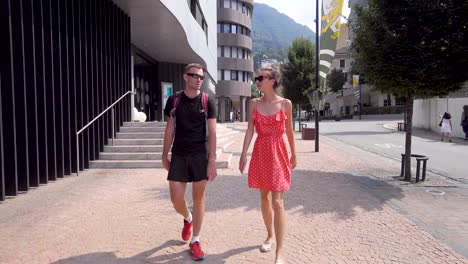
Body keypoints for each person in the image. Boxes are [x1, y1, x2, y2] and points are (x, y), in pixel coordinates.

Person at [239, 65, 297, 264]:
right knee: (264, 196)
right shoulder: (254, 103)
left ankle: (280, 252)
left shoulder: (286, 104)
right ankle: (270, 235)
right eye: (256, 78)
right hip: (260, 151)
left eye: (261, 77)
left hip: (278, 151)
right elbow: (249, 130)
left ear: (272, 80)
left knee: (278, 201)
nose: (257, 81)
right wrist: (243, 154)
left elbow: (289, 131)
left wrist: (294, 154)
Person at [162, 63, 217, 261]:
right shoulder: (174, 100)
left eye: (201, 76)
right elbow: (170, 129)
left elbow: (212, 131)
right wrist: (164, 155)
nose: (199, 79)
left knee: (199, 199)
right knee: (176, 199)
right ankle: (188, 218)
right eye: (195, 76)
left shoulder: (206, 100)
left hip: (199, 155)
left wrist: (212, 160)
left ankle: (195, 240)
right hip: (179, 154)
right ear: (185, 77)